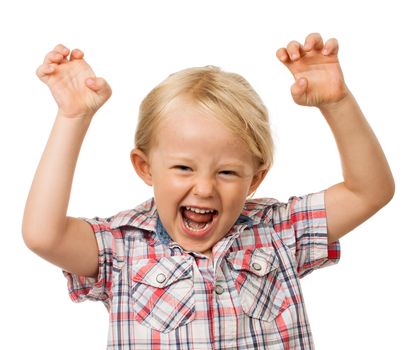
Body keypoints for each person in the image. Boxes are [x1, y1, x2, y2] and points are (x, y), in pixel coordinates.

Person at [22, 33, 394, 349]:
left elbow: (368, 192)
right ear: (145, 167)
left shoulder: (278, 232)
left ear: (255, 180)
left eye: (228, 172)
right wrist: (73, 118)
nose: (204, 188)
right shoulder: (121, 247)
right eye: (184, 167)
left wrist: (337, 104)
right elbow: (43, 235)